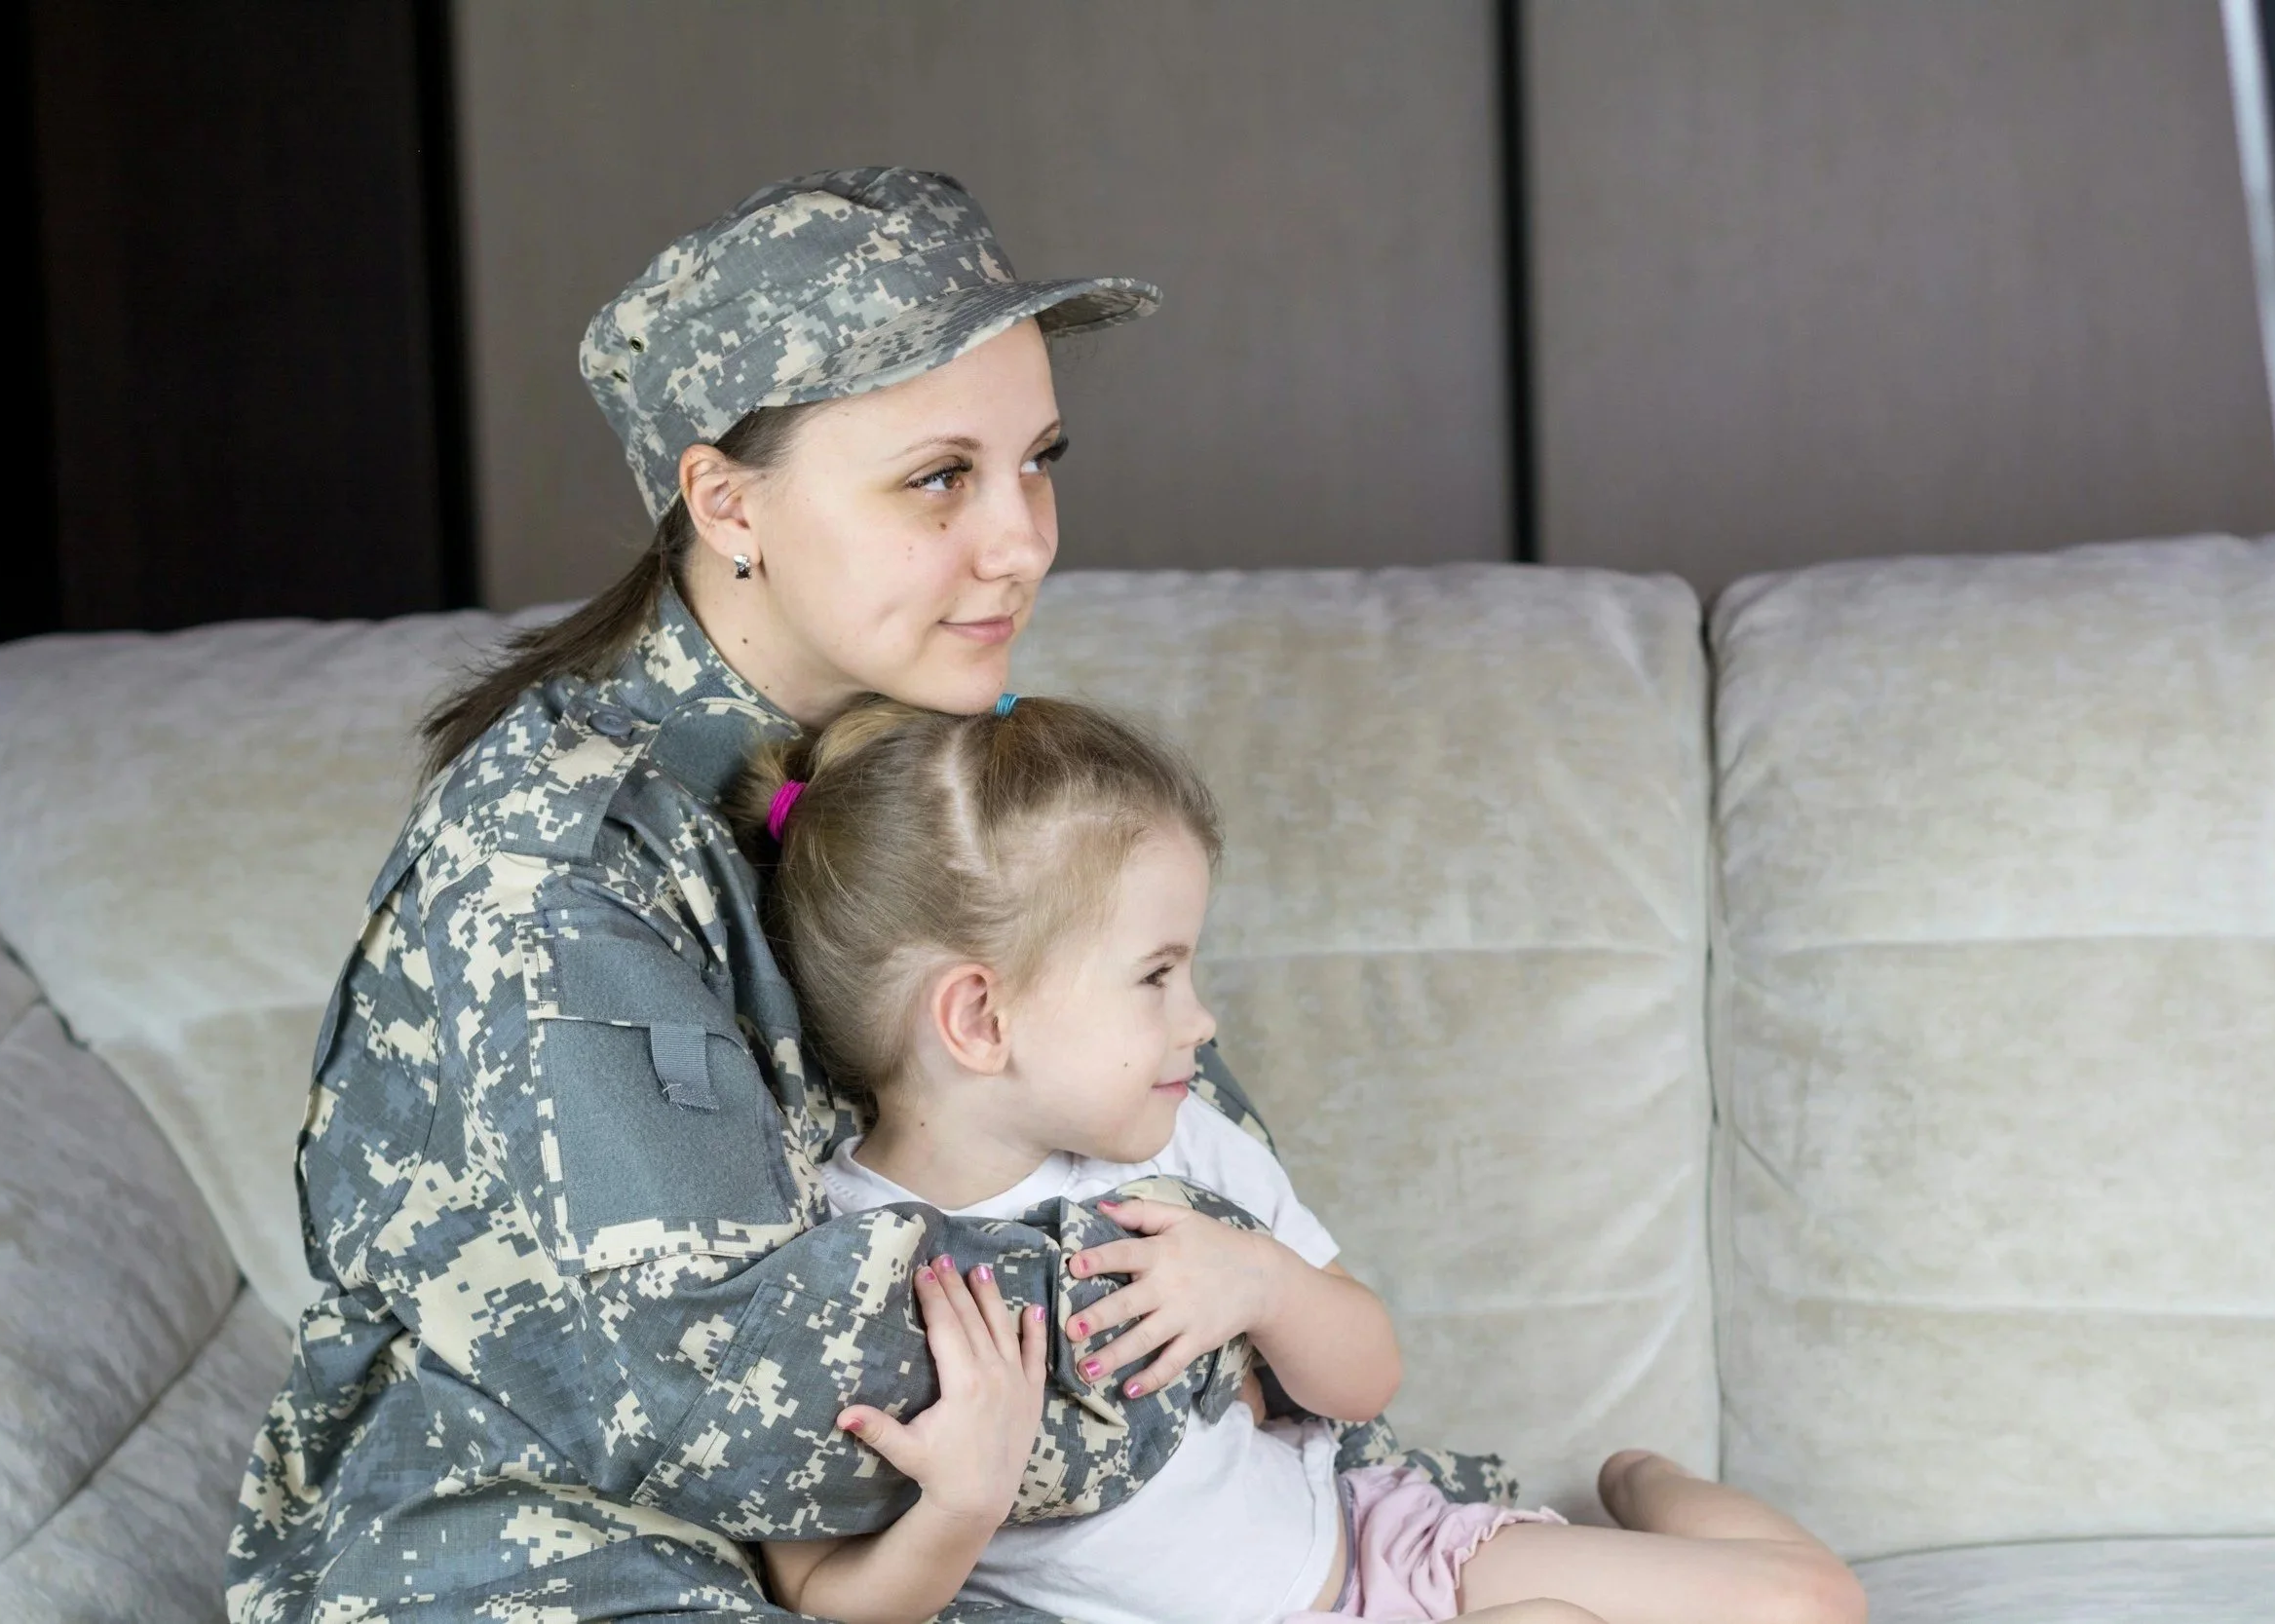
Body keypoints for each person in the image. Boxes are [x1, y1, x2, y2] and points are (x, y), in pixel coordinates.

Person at [227, 167, 1502, 1624]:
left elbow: (1168, 1140)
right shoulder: (557, 866)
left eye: (1039, 459)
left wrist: (1241, 1294)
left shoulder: (943, 751)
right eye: (939, 476)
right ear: (729, 503)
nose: (1023, 539)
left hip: (959, 1538)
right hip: (552, 1545)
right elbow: (738, 1394)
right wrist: (1209, 1313)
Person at [726, 697, 1867, 1624]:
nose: (1201, 1019)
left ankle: (1643, 1480)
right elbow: (821, 1589)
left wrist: (1263, 1282)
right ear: (980, 1018)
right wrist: (961, 1504)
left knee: (1816, 1602)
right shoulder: (833, 1267)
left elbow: (1364, 1377)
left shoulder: (1177, 1144)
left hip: (1374, 1546)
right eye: (1156, 975)